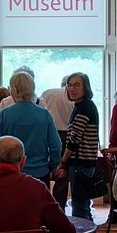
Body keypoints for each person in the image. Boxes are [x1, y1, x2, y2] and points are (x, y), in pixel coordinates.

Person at [55, 72, 101, 233]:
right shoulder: (82, 106)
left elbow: (74, 140)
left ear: (85, 87)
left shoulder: (84, 107)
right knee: (84, 212)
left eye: (76, 85)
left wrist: (63, 162)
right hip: (83, 164)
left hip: (81, 165)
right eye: (69, 85)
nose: (72, 88)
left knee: (80, 212)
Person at [0, 71, 61, 184]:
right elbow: (56, 146)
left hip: (10, 172)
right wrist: (51, 166)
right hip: (40, 172)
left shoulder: (5, 114)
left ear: (15, 90)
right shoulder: (44, 114)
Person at [40, 77, 74, 209]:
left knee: (44, 168)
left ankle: (45, 203)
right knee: (63, 172)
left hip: (46, 133)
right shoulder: (70, 97)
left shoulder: (47, 93)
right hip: (66, 134)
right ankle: (59, 208)